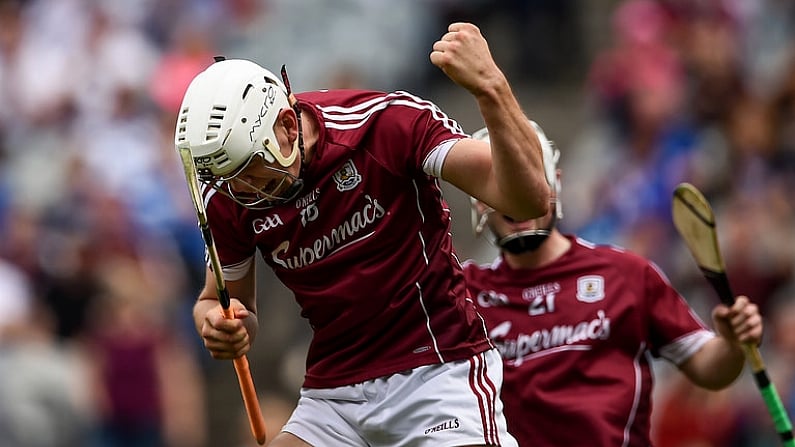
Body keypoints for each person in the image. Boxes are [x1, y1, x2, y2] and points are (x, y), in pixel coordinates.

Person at [174, 22, 550, 447]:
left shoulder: (384, 126)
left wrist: (491, 89)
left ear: (287, 127)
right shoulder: (227, 194)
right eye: (229, 180)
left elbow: (528, 200)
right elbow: (221, 301)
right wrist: (219, 324)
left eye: (251, 172)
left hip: (437, 370)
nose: (241, 192)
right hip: (334, 394)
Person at [462, 121, 764, 446]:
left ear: (555, 185)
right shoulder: (461, 295)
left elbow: (709, 369)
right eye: (500, 183)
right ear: (478, 200)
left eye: (528, 177)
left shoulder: (625, 273)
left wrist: (732, 343)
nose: (516, 194)